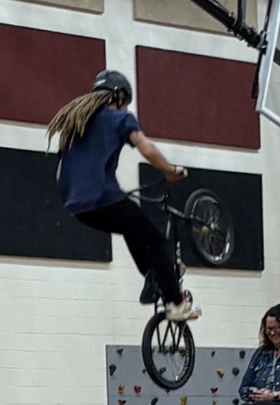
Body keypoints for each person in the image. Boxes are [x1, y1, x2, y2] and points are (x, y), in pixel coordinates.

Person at [47, 69, 197, 322]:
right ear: (118, 97)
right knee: (159, 241)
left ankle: (153, 277)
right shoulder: (120, 119)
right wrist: (169, 170)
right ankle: (175, 303)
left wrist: (74, 196)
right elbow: (146, 148)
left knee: (131, 226)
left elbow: (60, 173)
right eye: (124, 103)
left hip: (77, 208)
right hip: (103, 198)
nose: (124, 108)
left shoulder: (74, 126)